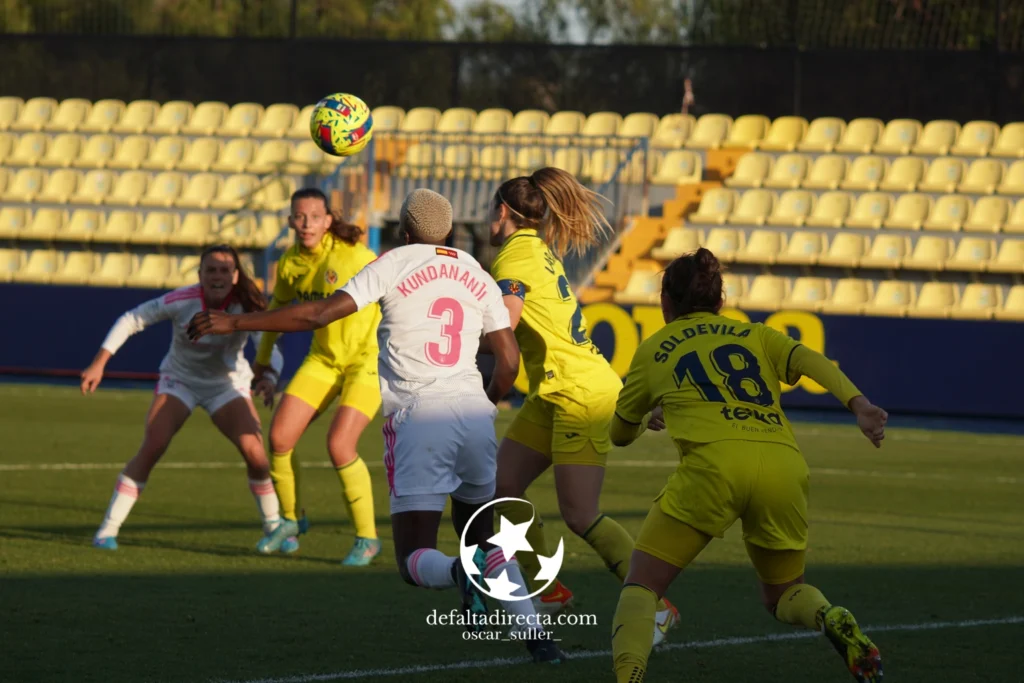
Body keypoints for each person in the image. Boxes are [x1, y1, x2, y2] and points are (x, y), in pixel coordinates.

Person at [188, 189, 565, 663]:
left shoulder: (395, 261)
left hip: (419, 419)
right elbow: (508, 359)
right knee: (485, 539)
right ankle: (541, 641)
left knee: (413, 560)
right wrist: (486, 401)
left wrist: (235, 324)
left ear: (405, 231)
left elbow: (319, 313)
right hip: (473, 417)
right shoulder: (476, 272)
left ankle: (458, 574)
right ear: (447, 232)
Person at [608, 248, 886, 683]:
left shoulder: (653, 350)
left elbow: (618, 435)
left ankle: (629, 676)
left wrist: (648, 419)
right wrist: (860, 404)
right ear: (720, 301)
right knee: (784, 593)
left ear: (665, 303)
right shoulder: (754, 335)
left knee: (642, 587)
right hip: (782, 464)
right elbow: (810, 360)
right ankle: (828, 615)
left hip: (714, 468)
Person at [484, 167, 679, 642]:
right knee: (502, 485)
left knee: (579, 514)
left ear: (503, 212)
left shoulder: (513, 258)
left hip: (576, 394)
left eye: (491, 209)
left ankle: (658, 606)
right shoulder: (534, 249)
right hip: (555, 391)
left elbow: (504, 325)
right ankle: (548, 592)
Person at [82, 244, 285, 551]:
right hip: (181, 381)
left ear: (235, 275)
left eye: (224, 270)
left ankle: (275, 528)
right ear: (200, 274)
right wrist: (99, 363)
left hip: (226, 385)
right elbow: (131, 319)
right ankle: (107, 530)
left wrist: (269, 378)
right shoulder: (182, 300)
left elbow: (271, 348)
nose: (217, 276)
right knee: (153, 446)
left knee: (256, 455)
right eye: (211, 270)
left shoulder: (248, 306)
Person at [252, 188, 383, 565]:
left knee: (340, 445)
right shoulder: (291, 262)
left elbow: (391, 290)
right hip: (324, 359)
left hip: (365, 361)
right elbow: (277, 309)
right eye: (299, 216)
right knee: (278, 438)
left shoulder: (354, 255)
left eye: (314, 216)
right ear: (291, 220)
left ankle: (367, 538)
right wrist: (263, 363)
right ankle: (291, 520)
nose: (306, 223)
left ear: (328, 220)